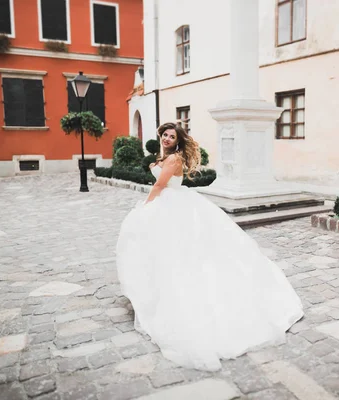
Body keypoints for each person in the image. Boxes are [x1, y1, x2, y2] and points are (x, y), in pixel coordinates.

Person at [116, 122, 304, 371]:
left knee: (182, 253)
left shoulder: (173, 160)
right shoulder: (167, 157)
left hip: (170, 204)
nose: (167, 138)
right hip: (173, 204)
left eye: (172, 136)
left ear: (177, 140)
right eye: (165, 135)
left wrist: (146, 206)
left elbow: (160, 186)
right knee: (164, 253)